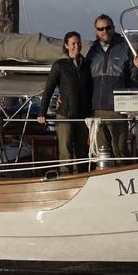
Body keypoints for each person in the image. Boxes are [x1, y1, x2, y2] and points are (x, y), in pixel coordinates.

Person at [86, 14, 138, 159]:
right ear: (96, 31)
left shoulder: (125, 48)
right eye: (101, 28)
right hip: (97, 109)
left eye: (108, 27)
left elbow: (136, 78)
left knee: (120, 150)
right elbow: (83, 80)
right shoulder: (92, 51)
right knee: (102, 152)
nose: (104, 31)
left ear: (113, 28)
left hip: (117, 109)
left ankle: (125, 177)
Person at [37, 31, 92, 174]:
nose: (76, 46)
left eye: (78, 43)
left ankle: (81, 178)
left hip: (83, 115)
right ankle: (66, 177)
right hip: (65, 114)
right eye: (73, 43)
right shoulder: (59, 65)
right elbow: (48, 89)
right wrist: (42, 112)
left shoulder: (87, 64)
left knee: (82, 151)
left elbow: (92, 88)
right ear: (66, 46)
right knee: (66, 151)